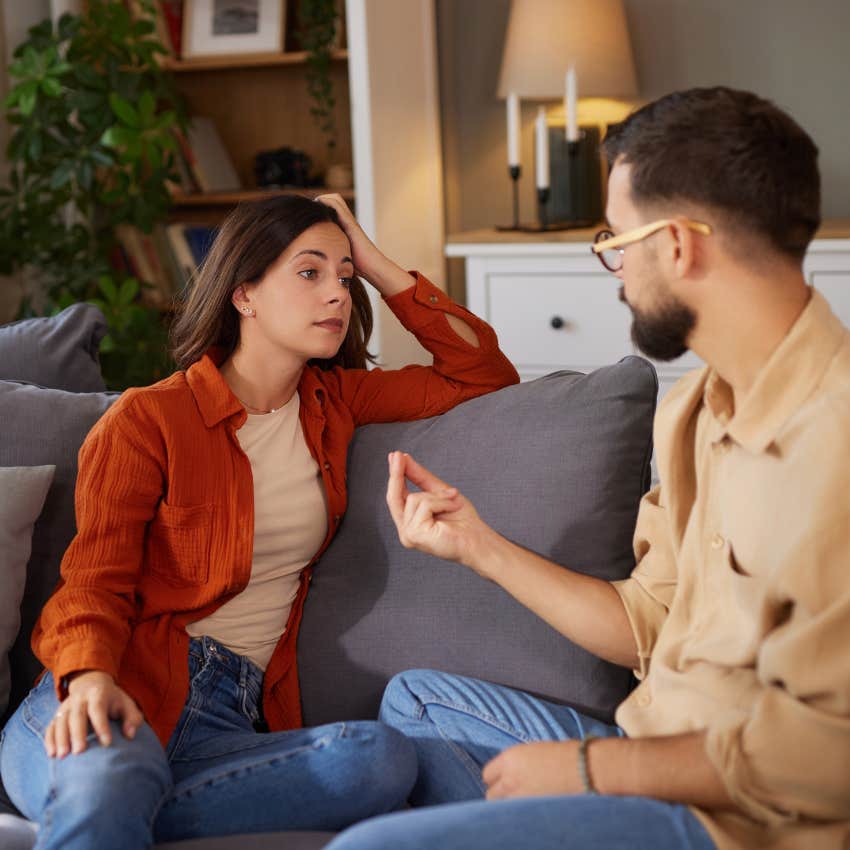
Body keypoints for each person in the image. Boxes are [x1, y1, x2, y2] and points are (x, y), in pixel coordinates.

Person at [324, 87, 850, 850]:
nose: (615, 269)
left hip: (735, 823)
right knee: (417, 702)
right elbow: (644, 623)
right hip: (651, 753)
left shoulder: (830, 443)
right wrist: (477, 544)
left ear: (679, 245)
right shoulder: (696, 408)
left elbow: (825, 757)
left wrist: (592, 768)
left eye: (618, 240)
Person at [0, 193, 519, 850]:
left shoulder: (335, 402)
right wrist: (90, 683)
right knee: (108, 782)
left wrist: (376, 260)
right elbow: (93, 580)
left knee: (379, 757)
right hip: (116, 685)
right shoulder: (148, 420)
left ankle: (114, 807)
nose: (336, 293)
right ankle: (101, 793)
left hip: (226, 716)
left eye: (344, 275)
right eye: (310, 272)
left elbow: (485, 373)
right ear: (244, 294)